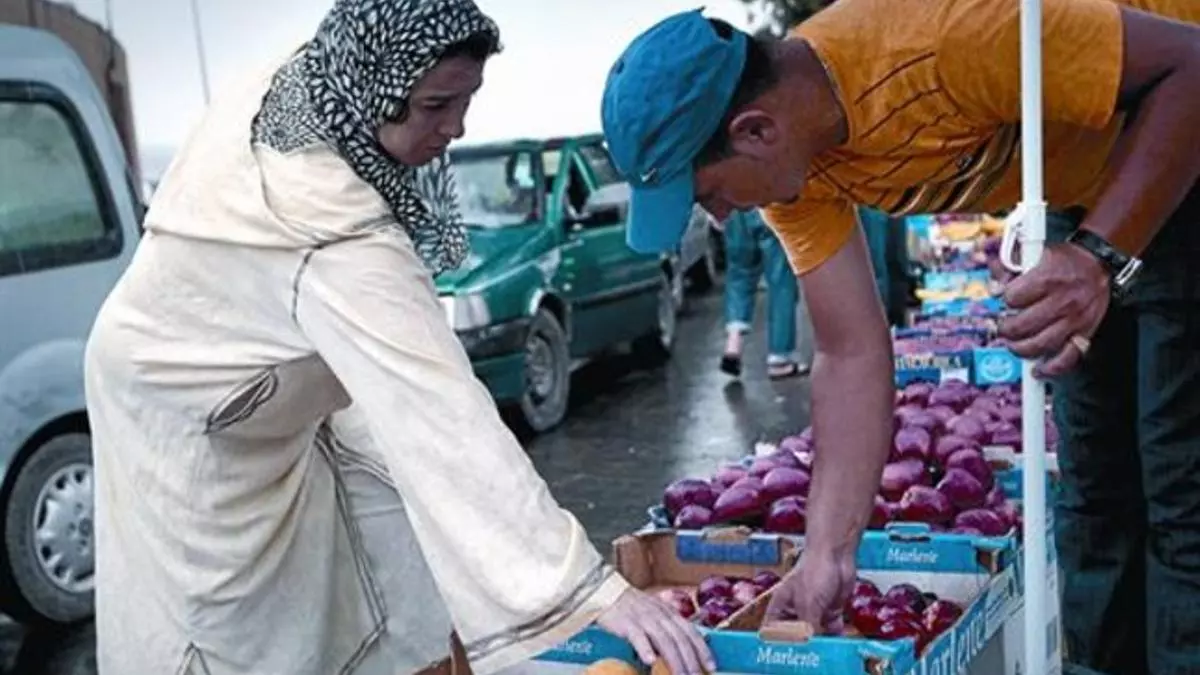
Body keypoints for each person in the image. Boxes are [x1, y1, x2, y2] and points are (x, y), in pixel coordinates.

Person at [83, 1, 714, 673]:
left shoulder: (316, 84)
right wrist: (585, 591)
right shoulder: (330, 225)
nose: (457, 127)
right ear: (372, 84)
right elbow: (442, 411)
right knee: (232, 623)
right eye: (436, 105)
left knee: (397, 531)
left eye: (467, 100)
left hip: (272, 385)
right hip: (187, 412)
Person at [600, 2, 1200, 672]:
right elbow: (850, 351)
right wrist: (827, 555)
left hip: (1177, 139)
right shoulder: (795, 169)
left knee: (1180, 486)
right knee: (1095, 492)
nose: (716, 217)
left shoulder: (949, 40)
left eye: (705, 193)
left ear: (756, 130)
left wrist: (1101, 256)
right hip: (1078, 184)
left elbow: (1192, 66)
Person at [719, 208, 809, 379]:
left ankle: (733, 343)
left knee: (739, 275)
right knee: (781, 282)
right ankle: (781, 358)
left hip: (735, 210)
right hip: (770, 207)